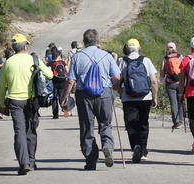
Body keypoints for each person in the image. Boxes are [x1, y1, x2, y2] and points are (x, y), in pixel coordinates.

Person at [60, 29, 121, 170]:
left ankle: (91, 160)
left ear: (84, 42)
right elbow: (117, 77)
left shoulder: (77, 57)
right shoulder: (107, 56)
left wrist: (65, 97)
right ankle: (107, 147)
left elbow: (70, 81)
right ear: (98, 41)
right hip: (104, 93)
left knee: (87, 127)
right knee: (105, 124)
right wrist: (115, 89)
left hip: (83, 95)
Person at [0, 33, 53, 175]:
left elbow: (1, 86)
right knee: (31, 130)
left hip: (15, 102)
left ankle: (24, 163)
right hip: (31, 100)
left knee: (19, 132)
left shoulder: (8, 63)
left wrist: (3, 105)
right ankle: (32, 161)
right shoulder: (33, 59)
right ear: (25, 46)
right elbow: (50, 75)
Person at [116, 38, 158, 163]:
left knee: (131, 124)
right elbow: (154, 81)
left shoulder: (121, 61)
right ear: (139, 48)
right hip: (145, 97)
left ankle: (135, 146)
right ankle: (143, 150)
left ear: (126, 49)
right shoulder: (146, 60)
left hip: (128, 98)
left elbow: (117, 81)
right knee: (143, 123)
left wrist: (121, 93)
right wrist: (155, 97)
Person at [160, 42, 184, 129]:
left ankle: (176, 122)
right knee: (180, 101)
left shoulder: (165, 59)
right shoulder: (180, 56)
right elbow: (185, 68)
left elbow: (162, 72)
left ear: (167, 49)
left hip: (170, 83)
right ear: (175, 48)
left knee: (173, 103)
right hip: (180, 83)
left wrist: (161, 79)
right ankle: (181, 120)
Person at [48, 48, 69, 119]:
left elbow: (48, 73)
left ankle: (55, 114)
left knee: (54, 99)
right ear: (58, 55)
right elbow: (67, 71)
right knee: (62, 97)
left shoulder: (50, 63)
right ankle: (65, 112)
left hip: (54, 82)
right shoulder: (62, 62)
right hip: (63, 82)